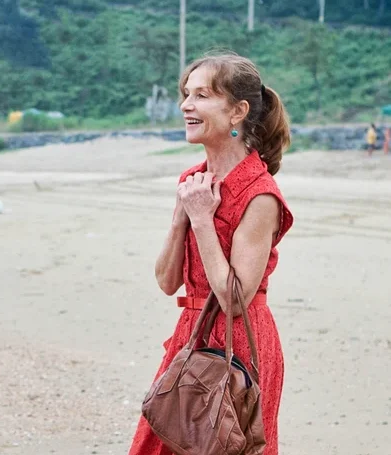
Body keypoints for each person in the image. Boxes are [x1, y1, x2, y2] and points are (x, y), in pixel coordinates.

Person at [128, 52, 294, 455]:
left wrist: (202, 220)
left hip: (240, 344)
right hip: (191, 334)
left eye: (202, 96)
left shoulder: (259, 195)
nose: (186, 105)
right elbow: (167, 282)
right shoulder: (194, 181)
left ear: (238, 111)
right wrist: (181, 219)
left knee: (227, 444)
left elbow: (234, 300)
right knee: (164, 441)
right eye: (187, 94)